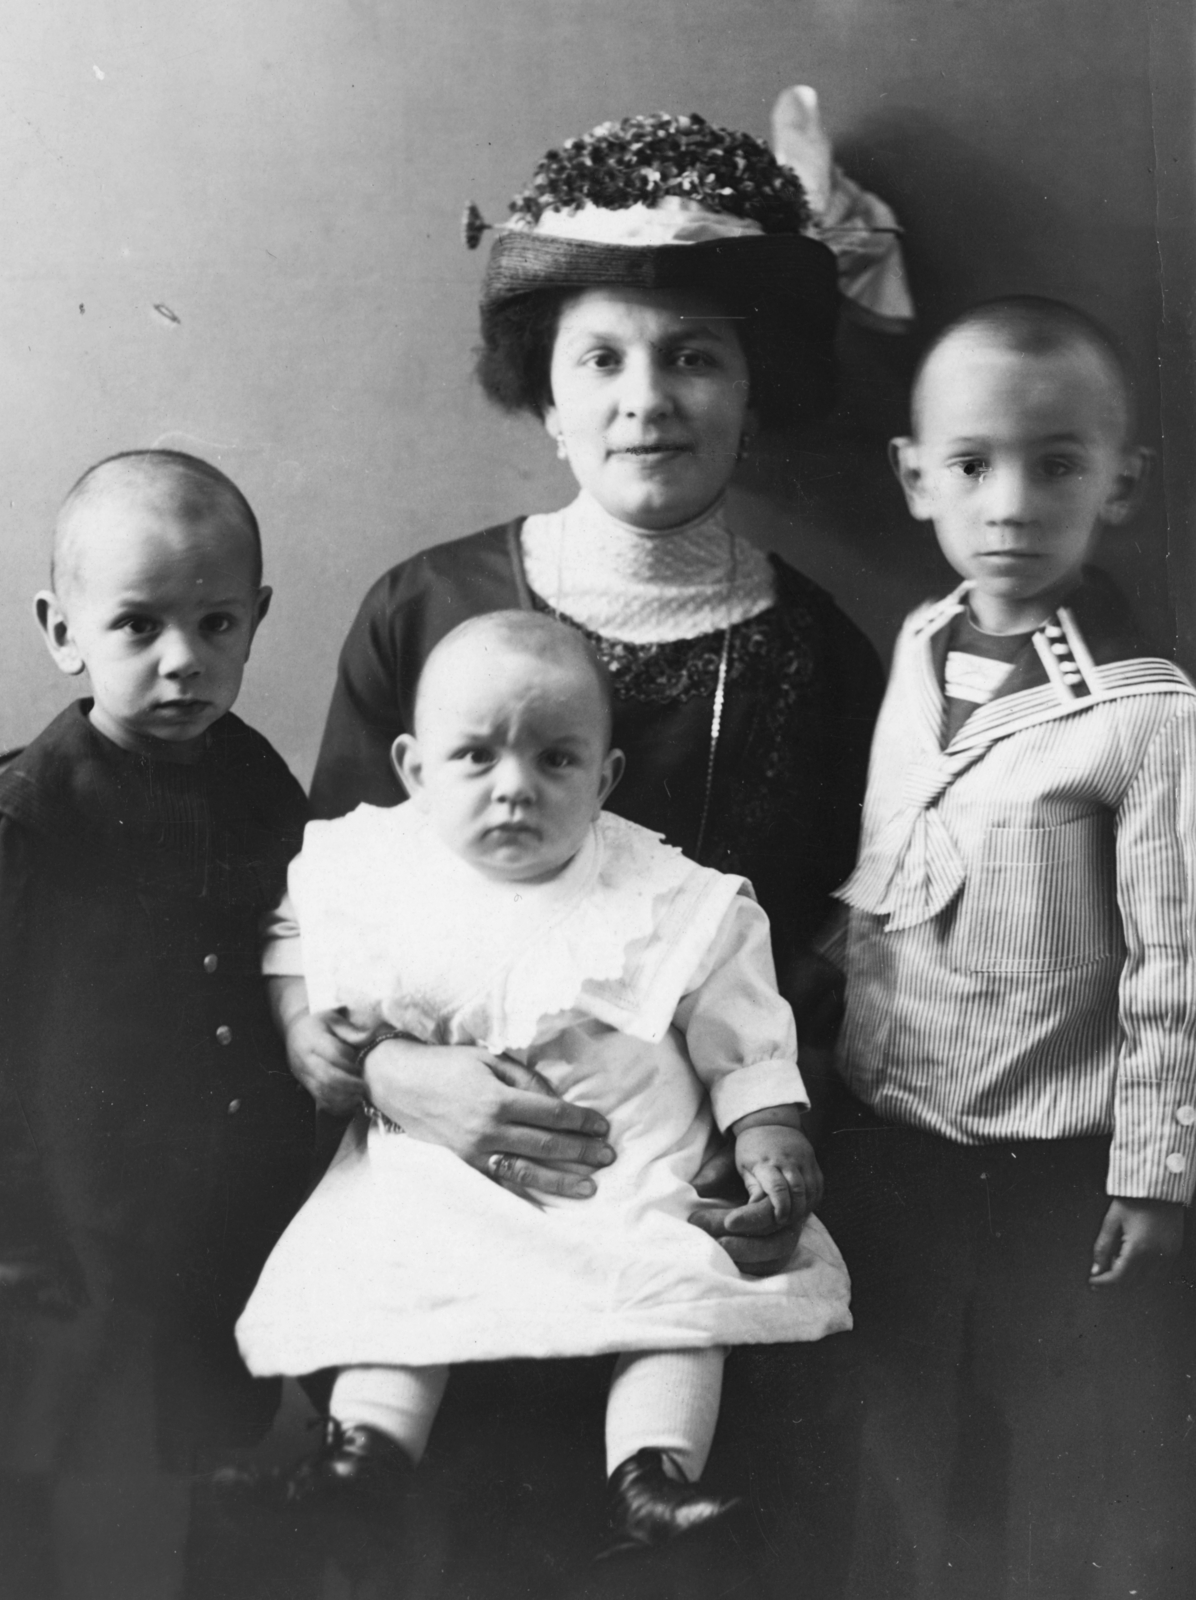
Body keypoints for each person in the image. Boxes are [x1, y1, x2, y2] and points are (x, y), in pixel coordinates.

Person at [298, 109, 892, 1591]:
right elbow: (322, 916)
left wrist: (756, 1145)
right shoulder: (424, 614)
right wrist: (385, 1072)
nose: (648, 398)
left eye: (694, 354)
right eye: (602, 359)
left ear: (753, 394)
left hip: (675, 1245)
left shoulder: (818, 655)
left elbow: (830, 955)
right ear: (544, 398)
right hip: (439, 1204)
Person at [235, 610, 851, 1554]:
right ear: (415, 768)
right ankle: (365, 1455)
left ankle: (651, 1476)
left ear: (604, 777)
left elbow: (740, 1013)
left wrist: (768, 1126)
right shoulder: (376, 866)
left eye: (555, 761)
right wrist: (300, 1025)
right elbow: (296, 937)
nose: (514, 788)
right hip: (440, 1165)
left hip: (626, 1164)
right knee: (397, 1255)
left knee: (680, 1281)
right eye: (475, 758)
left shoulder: (660, 890)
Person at [822, 297, 1196, 1597]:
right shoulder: (919, 646)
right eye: (972, 466)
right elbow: (895, 858)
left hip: (1053, 1165)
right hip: (897, 1133)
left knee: (1058, 1464)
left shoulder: (1143, 714)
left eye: (1055, 466)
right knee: (911, 1454)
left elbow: (1174, 970)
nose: (1011, 505)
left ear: (1120, 486)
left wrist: (1152, 1175)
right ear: (914, 479)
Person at [0, 450, 317, 1596]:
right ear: (64, 631)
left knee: (212, 1436)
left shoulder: (255, 781)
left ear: (256, 619)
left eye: (213, 624)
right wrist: (22, 1230)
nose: (181, 661)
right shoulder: (27, 823)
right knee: (106, 1470)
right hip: (87, 1221)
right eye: (138, 626)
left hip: (223, 1195)